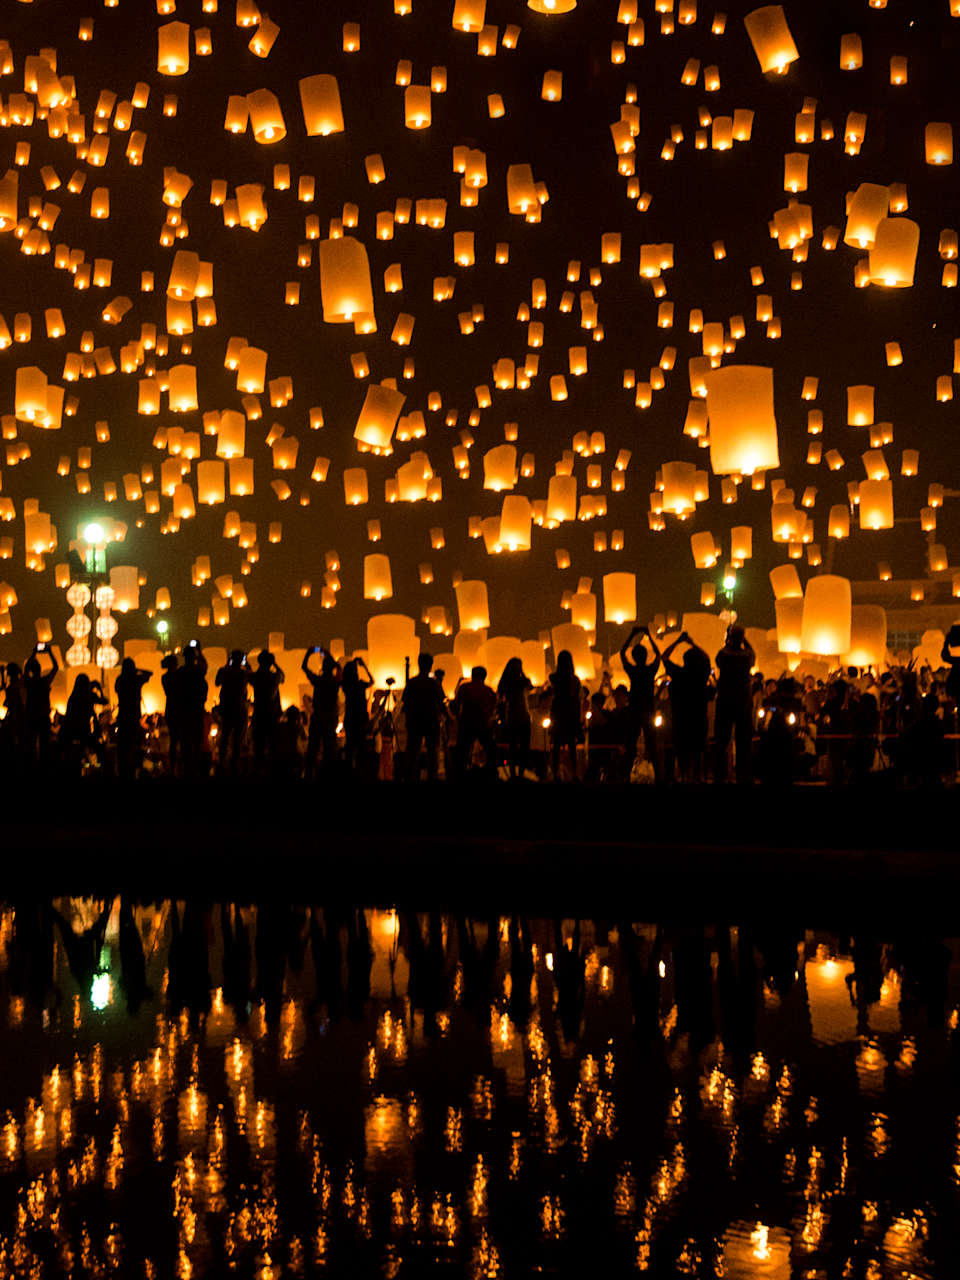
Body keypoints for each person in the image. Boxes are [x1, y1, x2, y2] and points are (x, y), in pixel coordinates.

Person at [661, 631, 711, 783]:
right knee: (697, 751)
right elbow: (707, 657)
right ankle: (697, 777)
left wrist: (678, 641)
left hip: (680, 719)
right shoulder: (702, 675)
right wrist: (692, 642)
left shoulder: (678, 673)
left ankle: (683, 777)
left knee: (682, 750)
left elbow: (663, 657)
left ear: (684, 660)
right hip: (699, 718)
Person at [713, 624, 755, 784]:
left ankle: (720, 775)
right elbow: (752, 653)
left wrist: (727, 639)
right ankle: (743, 775)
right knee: (744, 742)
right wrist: (745, 640)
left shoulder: (723, 655)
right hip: (743, 703)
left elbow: (720, 657)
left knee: (721, 741)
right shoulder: (746, 656)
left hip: (725, 702)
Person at [619, 625, 661, 775]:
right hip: (648, 709)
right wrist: (649, 636)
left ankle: (625, 775)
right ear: (645, 656)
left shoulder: (633, 671)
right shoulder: (650, 671)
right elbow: (658, 655)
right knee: (652, 744)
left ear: (635, 657)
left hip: (635, 710)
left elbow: (622, 653)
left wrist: (632, 634)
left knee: (630, 743)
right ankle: (658, 775)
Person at [402, 652, 446, 780]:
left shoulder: (411, 683)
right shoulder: (434, 684)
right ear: (430, 666)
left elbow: (406, 702)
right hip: (431, 722)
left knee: (412, 752)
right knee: (432, 753)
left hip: (415, 722)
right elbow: (440, 701)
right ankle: (431, 777)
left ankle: (410, 777)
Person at [453, 665, 498, 778]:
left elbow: (456, 704)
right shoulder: (488, 691)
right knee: (490, 749)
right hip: (483, 724)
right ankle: (490, 772)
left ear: (472, 675)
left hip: (466, 723)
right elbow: (494, 706)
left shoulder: (464, 688)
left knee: (462, 751)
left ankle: (460, 774)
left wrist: (458, 717)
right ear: (484, 677)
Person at [302, 648, 341, 777]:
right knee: (329, 748)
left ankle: (309, 773)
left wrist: (308, 653)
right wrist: (330, 656)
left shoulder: (317, 681)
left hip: (318, 717)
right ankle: (327, 774)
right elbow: (339, 669)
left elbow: (304, 667)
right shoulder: (335, 682)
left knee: (313, 747)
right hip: (330, 718)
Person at [60, 672, 108, 773]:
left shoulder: (73, 697)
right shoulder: (90, 696)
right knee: (100, 749)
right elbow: (104, 701)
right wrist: (99, 689)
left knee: (77, 755)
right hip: (83, 731)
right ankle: (103, 772)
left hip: (72, 731)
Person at [548, 650, 582, 781]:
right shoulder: (574, 680)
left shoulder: (554, 678)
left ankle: (556, 774)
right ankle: (574, 774)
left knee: (556, 745)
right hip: (570, 713)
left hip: (558, 712)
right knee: (572, 746)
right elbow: (575, 698)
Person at [248, 649, 284, 772]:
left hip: (259, 714)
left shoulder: (255, 677)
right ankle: (273, 770)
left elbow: (249, 674)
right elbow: (282, 674)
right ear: (270, 662)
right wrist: (275, 663)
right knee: (273, 744)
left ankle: (258, 769)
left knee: (259, 745)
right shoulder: (275, 677)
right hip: (273, 715)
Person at [114, 657, 150, 779]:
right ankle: (131, 770)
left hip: (123, 716)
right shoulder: (137, 679)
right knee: (132, 745)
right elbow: (149, 673)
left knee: (122, 745)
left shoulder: (120, 680)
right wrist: (136, 670)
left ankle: (122, 770)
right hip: (134, 717)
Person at [498, 656, 533, 779]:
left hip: (511, 717)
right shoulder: (522, 681)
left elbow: (500, 698)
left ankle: (513, 773)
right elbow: (530, 686)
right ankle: (521, 773)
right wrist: (523, 673)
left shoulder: (505, 683)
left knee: (513, 747)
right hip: (523, 716)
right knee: (524, 747)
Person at [24, 644, 58, 769]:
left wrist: (34, 654)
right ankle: (44, 767)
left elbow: (25, 669)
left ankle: (31, 767)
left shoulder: (29, 682)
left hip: (31, 715)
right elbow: (55, 668)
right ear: (39, 668)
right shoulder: (44, 682)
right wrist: (49, 652)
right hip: (43, 716)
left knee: (31, 744)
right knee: (44, 744)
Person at [215, 650, 250, 774]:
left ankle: (222, 762)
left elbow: (217, 682)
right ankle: (234, 765)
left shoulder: (224, 671)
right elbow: (252, 677)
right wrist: (248, 665)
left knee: (225, 737)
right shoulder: (244, 673)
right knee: (237, 739)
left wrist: (226, 666)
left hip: (226, 708)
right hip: (239, 708)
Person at [177, 642, 208, 779]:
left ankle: (186, 767)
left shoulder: (181, 672)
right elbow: (204, 666)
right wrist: (199, 651)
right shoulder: (198, 672)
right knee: (196, 740)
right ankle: (194, 766)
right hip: (196, 709)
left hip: (184, 710)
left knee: (185, 740)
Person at [341, 657, 373, 774]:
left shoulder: (346, 685)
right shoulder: (360, 684)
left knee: (349, 746)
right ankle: (361, 772)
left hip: (350, 718)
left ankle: (348, 771)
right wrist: (364, 666)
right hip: (360, 719)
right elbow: (372, 681)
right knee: (361, 747)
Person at [160, 653, 182, 775]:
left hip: (170, 709)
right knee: (181, 739)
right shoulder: (180, 676)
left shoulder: (165, 677)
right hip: (179, 708)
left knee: (173, 740)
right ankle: (179, 767)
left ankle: (173, 768)